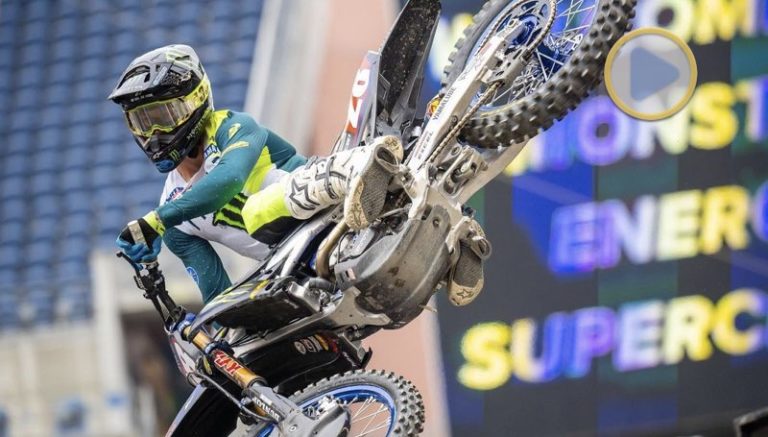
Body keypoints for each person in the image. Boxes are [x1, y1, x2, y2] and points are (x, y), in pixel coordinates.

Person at [110, 44, 482, 306]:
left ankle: (359, 167)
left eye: (162, 117)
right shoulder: (174, 226)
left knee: (254, 212)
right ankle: (457, 243)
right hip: (300, 264)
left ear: (196, 100)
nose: (153, 134)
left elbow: (228, 181)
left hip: (326, 201)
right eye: (141, 123)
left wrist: (157, 220)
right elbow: (218, 296)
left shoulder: (231, 127)